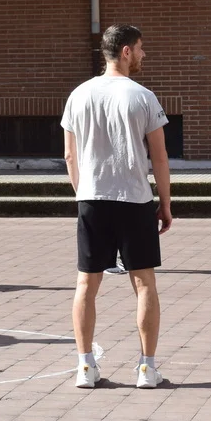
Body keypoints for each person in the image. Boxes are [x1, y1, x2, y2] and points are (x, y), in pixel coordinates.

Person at [62, 24, 172, 389]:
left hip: (91, 198)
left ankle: (85, 367)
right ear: (125, 51)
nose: (143, 54)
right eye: (140, 48)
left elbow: (70, 156)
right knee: (144, 284)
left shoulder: (78, 94)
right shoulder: (142, 96)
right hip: (134, 199)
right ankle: (147, 369)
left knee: (86, 283)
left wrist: (83, 193)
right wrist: (165, 203)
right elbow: (159, 157)